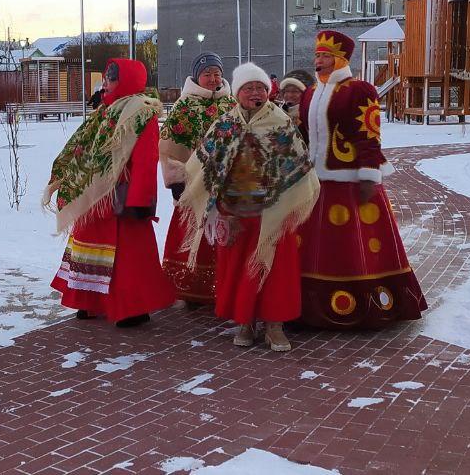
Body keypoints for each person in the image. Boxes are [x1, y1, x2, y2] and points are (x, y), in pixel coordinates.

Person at [176, 62, 319, 351]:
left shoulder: (280, 122)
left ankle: (275, 325)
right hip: (235, 212)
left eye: (260, 88)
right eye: (248, 88)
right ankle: (246, 321)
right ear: (238, 92)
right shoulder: (225, 124)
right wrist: (217, 207)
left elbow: (298, 166)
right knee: (240, 270)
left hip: (273, 212)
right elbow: (204, 164)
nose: (255, 93)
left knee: (276, 271)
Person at [296, 30, 427, 329]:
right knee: (314, 245)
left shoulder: (359, 90)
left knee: (351, 243)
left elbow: (369, 134)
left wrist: (368, 175)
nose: (319, 60)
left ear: (340, 59)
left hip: (349, 182)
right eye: (317, 55)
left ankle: (364, 304)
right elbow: (303, 134)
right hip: (314, 182)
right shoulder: (310, 92)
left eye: (325, 55)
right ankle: (306, 305)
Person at [46, 58, 174, 327]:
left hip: (122, 198)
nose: (105, 82)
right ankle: (90, 300)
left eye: (112, 78)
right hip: (94, 193)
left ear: (127, 81)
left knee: (126, 257)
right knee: (89, 249)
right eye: (106, 77)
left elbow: (146, 160)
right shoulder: (105, 110)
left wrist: (140, 200)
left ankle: (132, 307)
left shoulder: (141, 113)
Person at [160, 52, 236, 305]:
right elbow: (169, 148)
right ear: (196, 76)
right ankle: (190, 287)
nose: (213, 79)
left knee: (224, 234)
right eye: (207, 74)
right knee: (193, 233)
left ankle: (225, 285)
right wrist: (176, 182)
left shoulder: (232, 105)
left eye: (217, 74)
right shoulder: (184, 107)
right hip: (193, 185)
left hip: (226, 184)